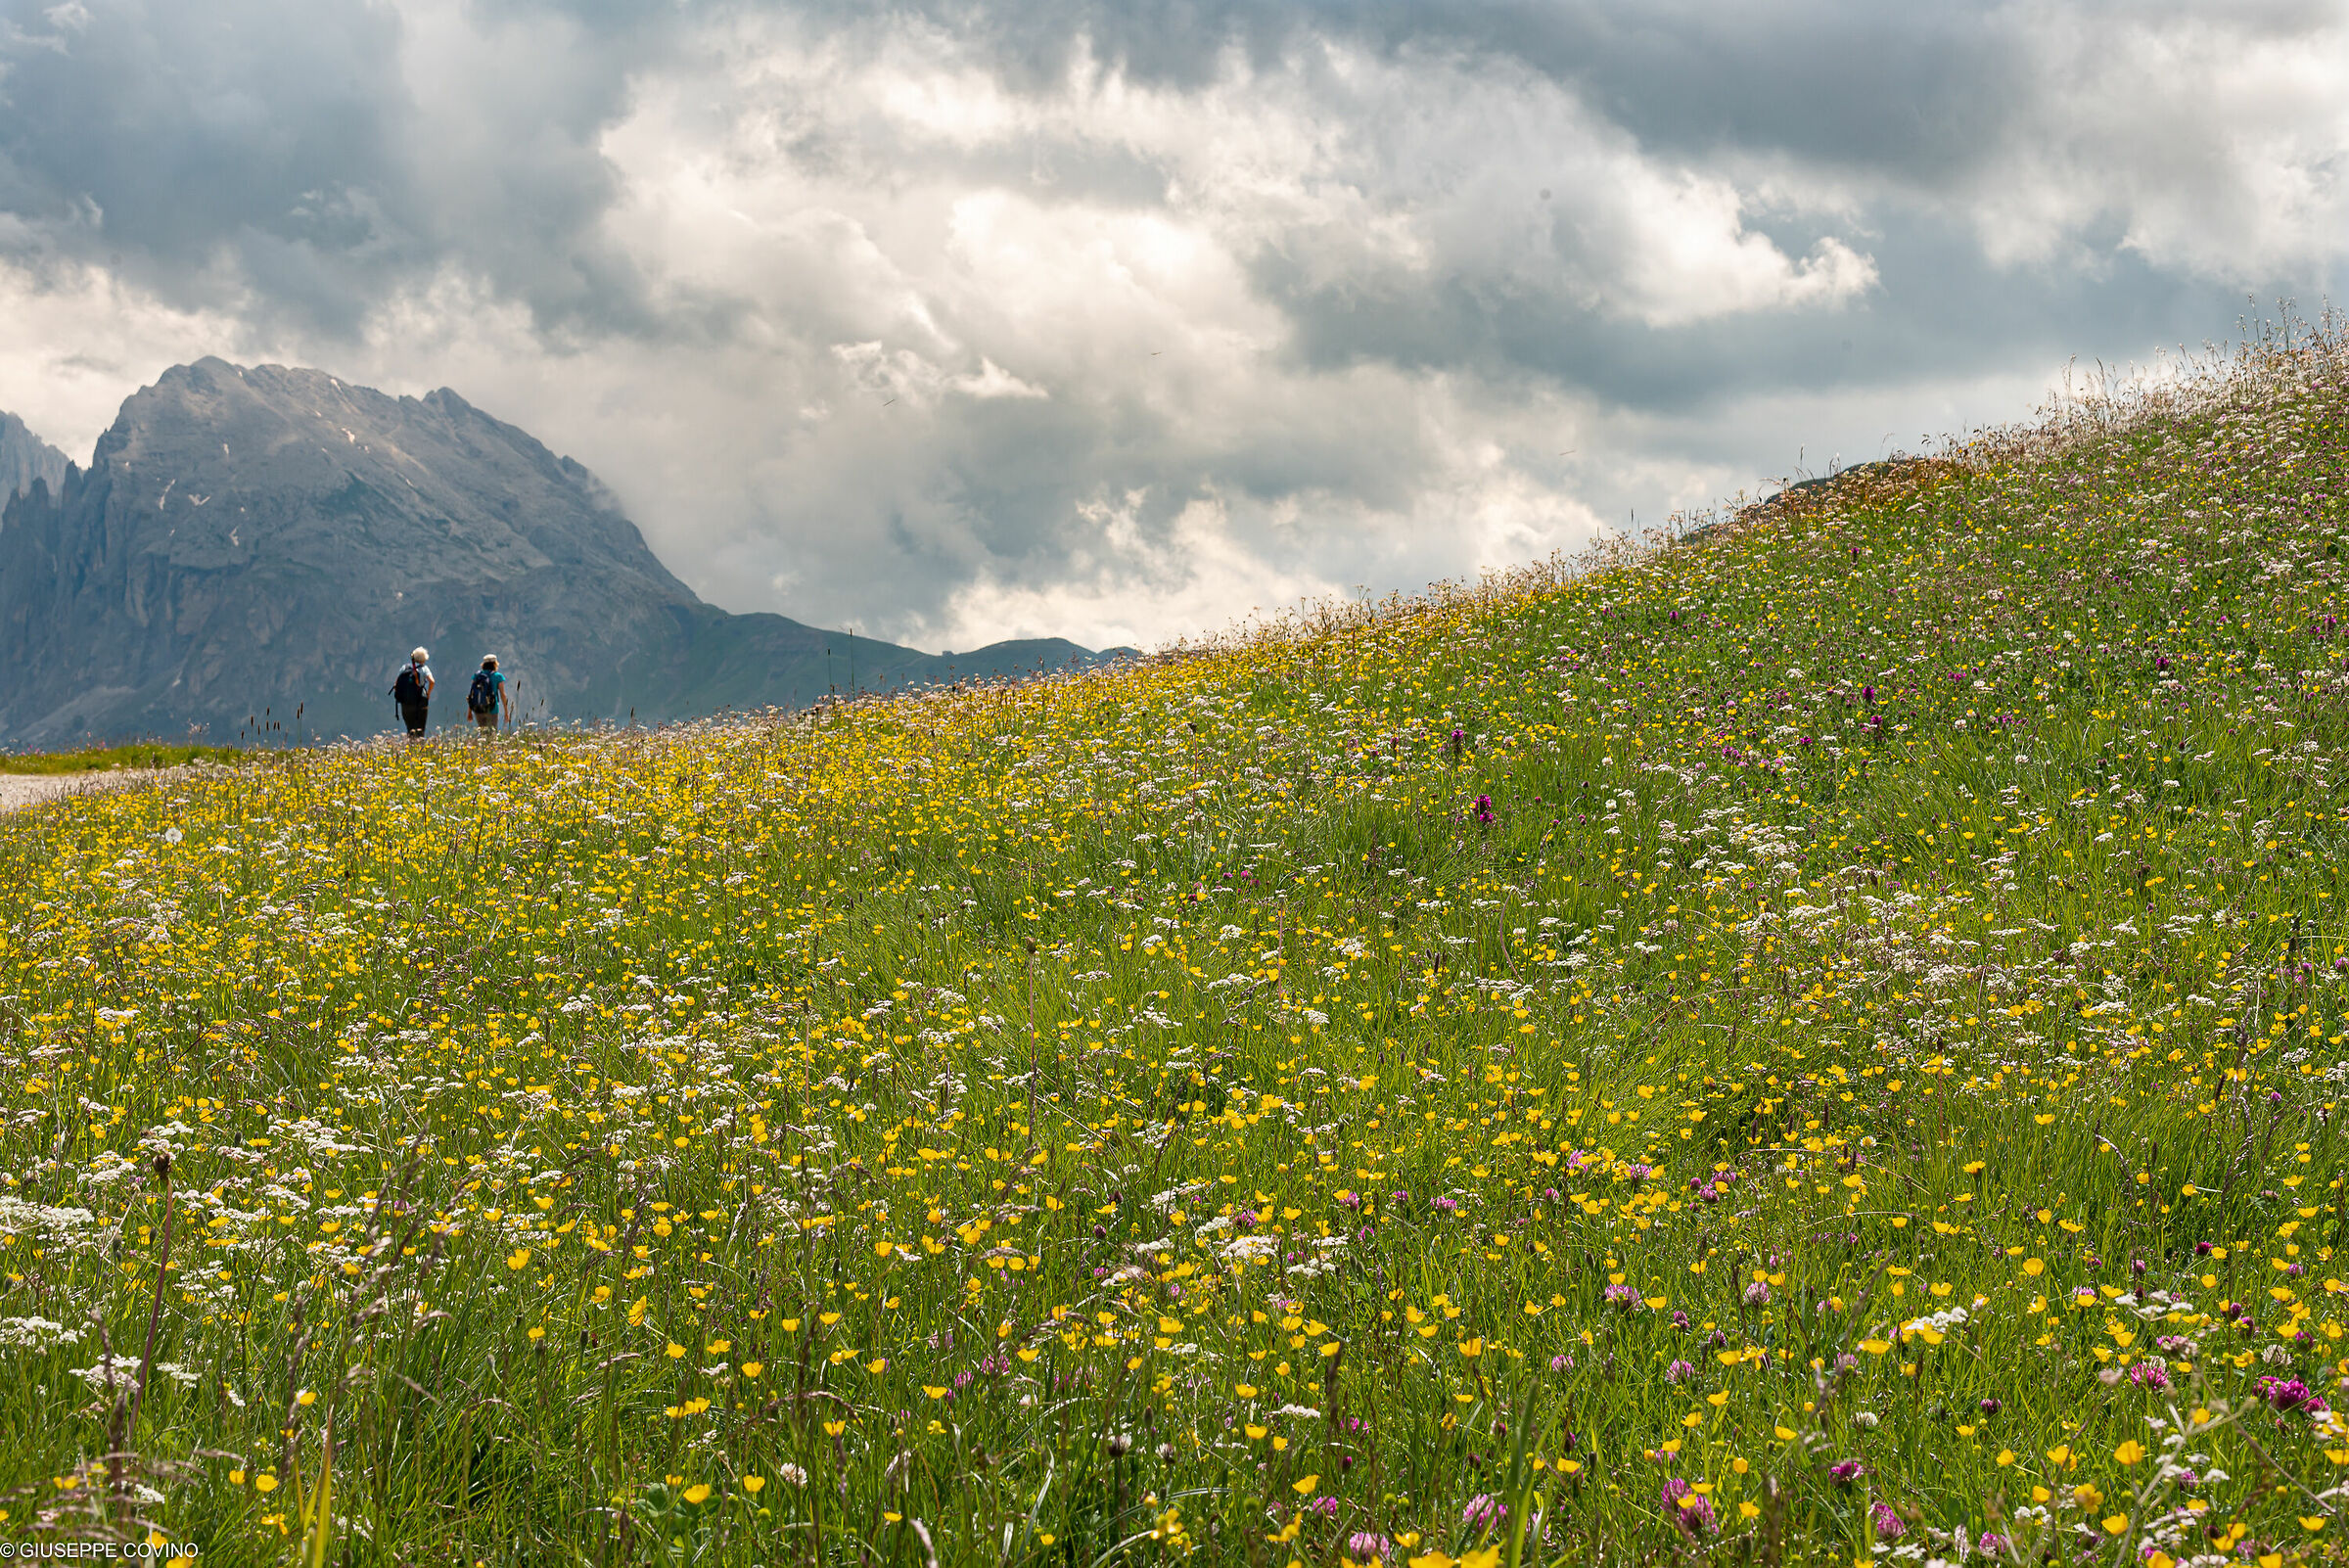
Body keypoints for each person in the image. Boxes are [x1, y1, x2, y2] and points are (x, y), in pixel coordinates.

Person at [390, 646, 434, 737]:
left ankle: (411, 746)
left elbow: (396, 684)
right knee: (420, 729)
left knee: (410, 728)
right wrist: (428, 693)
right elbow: (432, 681)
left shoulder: (404, 668)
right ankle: (419, 748)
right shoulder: (424, 669)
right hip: (421, 701)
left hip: (406, 702)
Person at [466, 654, 512, 733]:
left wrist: (470, 712)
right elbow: (503, 695)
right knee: (492, 734)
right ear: (495, 664)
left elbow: (472, 695)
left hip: (478, 709)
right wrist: (506, 712)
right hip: (492, 709)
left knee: (482, 733)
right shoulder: (498, 676)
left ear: (484, 664)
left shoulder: (477, 676)